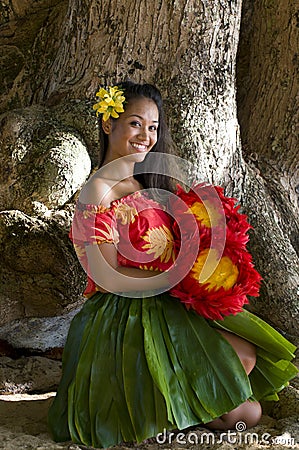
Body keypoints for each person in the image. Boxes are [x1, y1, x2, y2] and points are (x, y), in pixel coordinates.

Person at [48, 80, 297, 449]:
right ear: (107, 124)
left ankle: (177, 402)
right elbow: (106, 276)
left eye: (152, 127)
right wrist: (172, 277)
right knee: (244, 397)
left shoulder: (142, 181)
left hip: (163, 298)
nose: (145, 136)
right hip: (122, 313)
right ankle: (161, 400)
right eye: (135, 123)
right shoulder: (97, 191)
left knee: (248, 393)